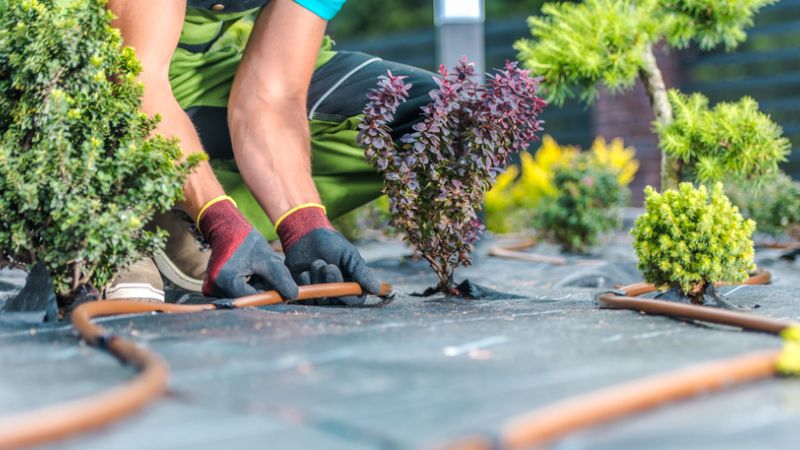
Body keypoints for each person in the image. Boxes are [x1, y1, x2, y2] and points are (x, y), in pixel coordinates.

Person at [103, 0, 435, 304]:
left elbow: (272, 95)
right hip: (112, 62)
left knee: (443, 113)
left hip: (200, 75)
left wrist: (304, 225)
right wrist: (220, 221)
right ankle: (129, 206)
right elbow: (135, 76)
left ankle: (189, 218)